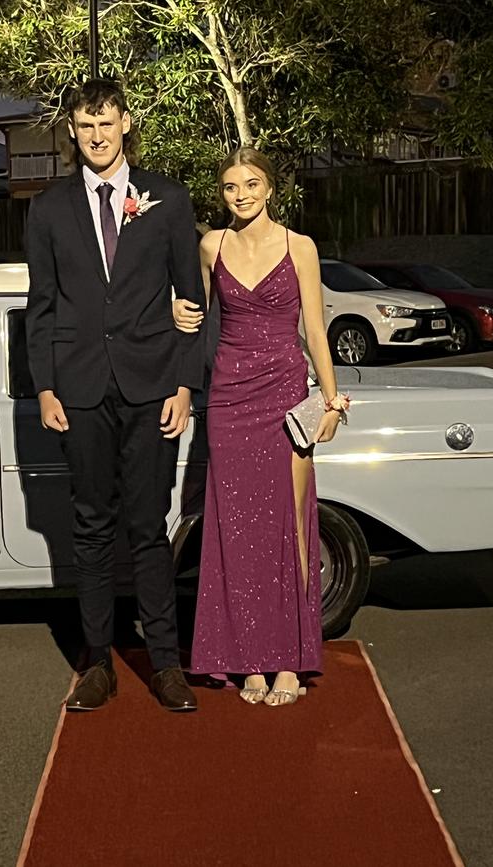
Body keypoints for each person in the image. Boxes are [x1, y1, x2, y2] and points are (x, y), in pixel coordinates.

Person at [25, 79, 206, 712]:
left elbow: (192, 302)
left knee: (148, 527)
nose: (96, 136)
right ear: (72, 132)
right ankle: (98, 661)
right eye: (84, 125)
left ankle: (165, 664)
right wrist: (46, 387)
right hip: (77, 391)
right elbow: (40, 307)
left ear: (126, 123)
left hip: (151, 387)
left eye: (105, 123)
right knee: (91, 527)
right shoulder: (47, 209)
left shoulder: (170, 199)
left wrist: (184, 383)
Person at [174, 147, 347, 706]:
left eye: (251, 183)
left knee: (289, 525)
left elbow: (316, 331)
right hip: (227, 397)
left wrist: (332, 399)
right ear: (221, 194)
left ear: (270, 188)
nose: (241, 194)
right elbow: (193, 318)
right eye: (230, 187)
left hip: (283, 391)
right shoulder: (212, 246)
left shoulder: (301, 247)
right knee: (237, 529)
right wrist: (177, 311)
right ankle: (249, 658)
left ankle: (291, 660)